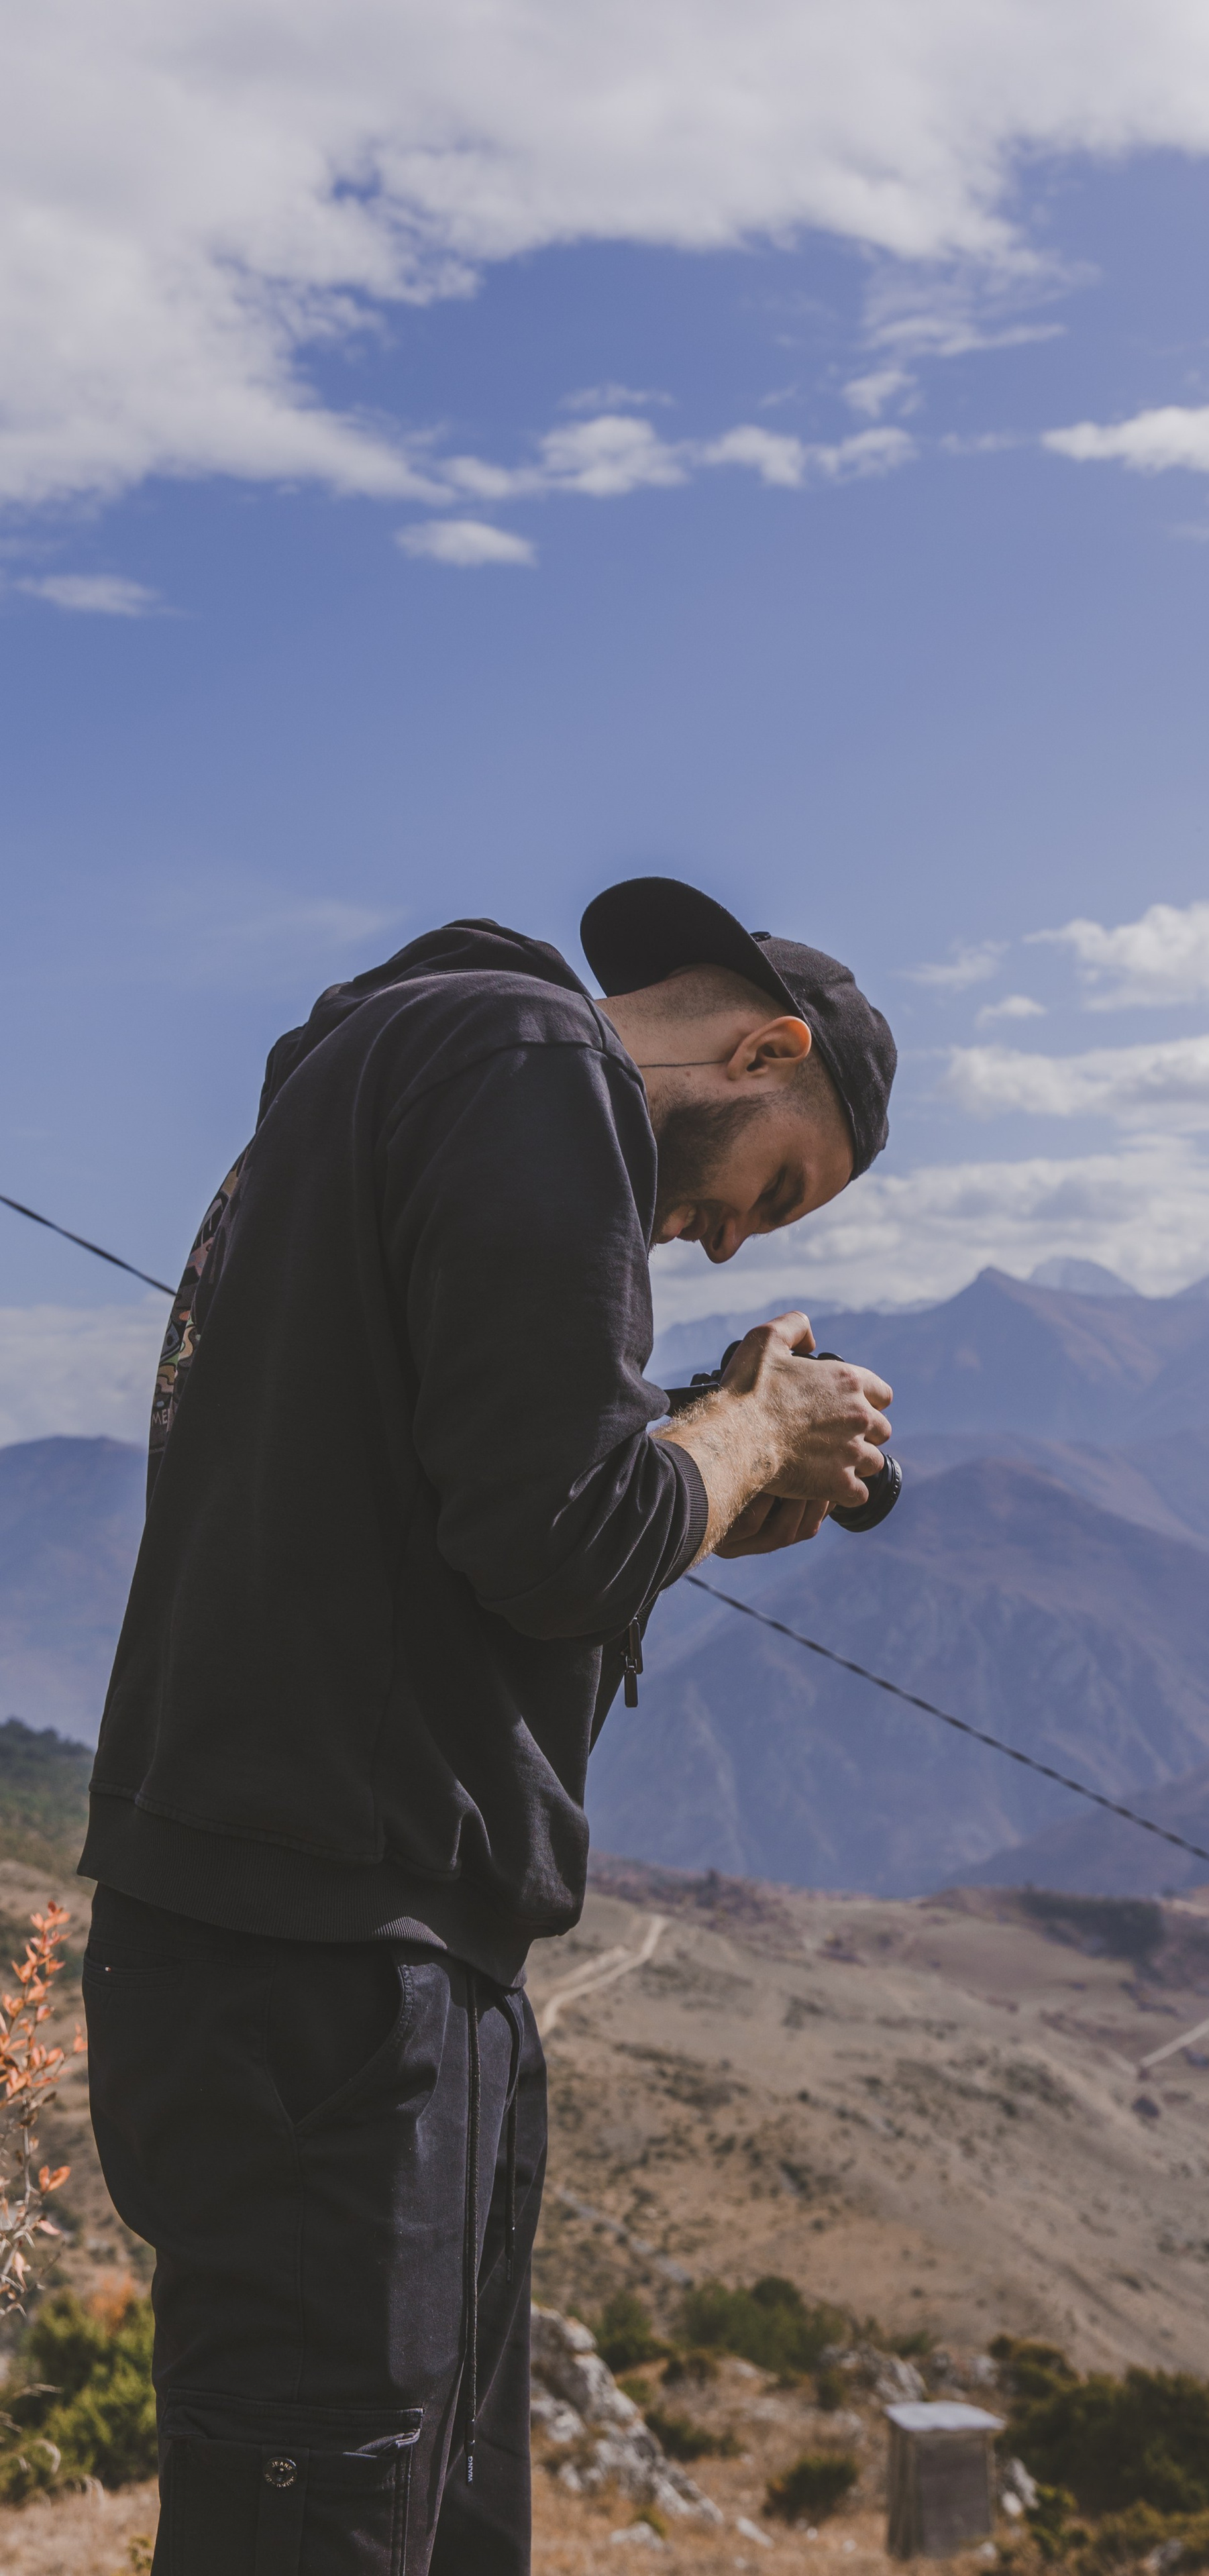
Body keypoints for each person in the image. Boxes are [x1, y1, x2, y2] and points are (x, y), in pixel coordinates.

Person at [77, 876, 897, 2574]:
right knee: (323, 2527)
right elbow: (557, 1542)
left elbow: (468, 1509)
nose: (732, 1242)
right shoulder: (530, 1060)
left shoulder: (398, 1076)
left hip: (316, 1943)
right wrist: (745, 1431)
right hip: (328, 1968)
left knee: (413, 2521)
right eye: (779, 1189)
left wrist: (708, 1460)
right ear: (763, 1047)